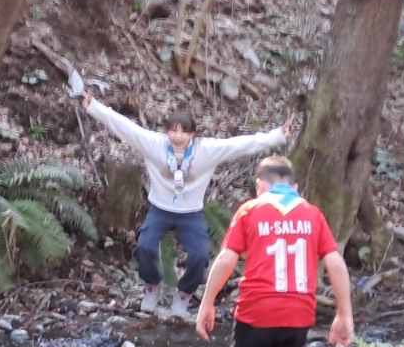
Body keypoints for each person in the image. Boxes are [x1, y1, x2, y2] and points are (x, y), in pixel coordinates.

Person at [81, 92, 290, 319]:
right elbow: (124, 126)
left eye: (183, 131)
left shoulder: (206, 150)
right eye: (173, 130)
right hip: (159, 209)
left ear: (192, 134)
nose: (177, 136)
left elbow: (241, 144)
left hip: (191, 213)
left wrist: (277, 135)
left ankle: (184, 295)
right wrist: (93, 106)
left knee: (200, 255)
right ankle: (151, 286)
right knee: (145, 247)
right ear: (166, 132)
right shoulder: (154, 144)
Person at [194, 156, 354, 347]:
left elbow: (226, 259)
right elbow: (335, 262)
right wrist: (344, 314)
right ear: (294, 187)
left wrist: (207, 303)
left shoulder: (250, 210)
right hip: (299, 314)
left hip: (257, 312)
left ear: (259, 185)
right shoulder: (313, 214)